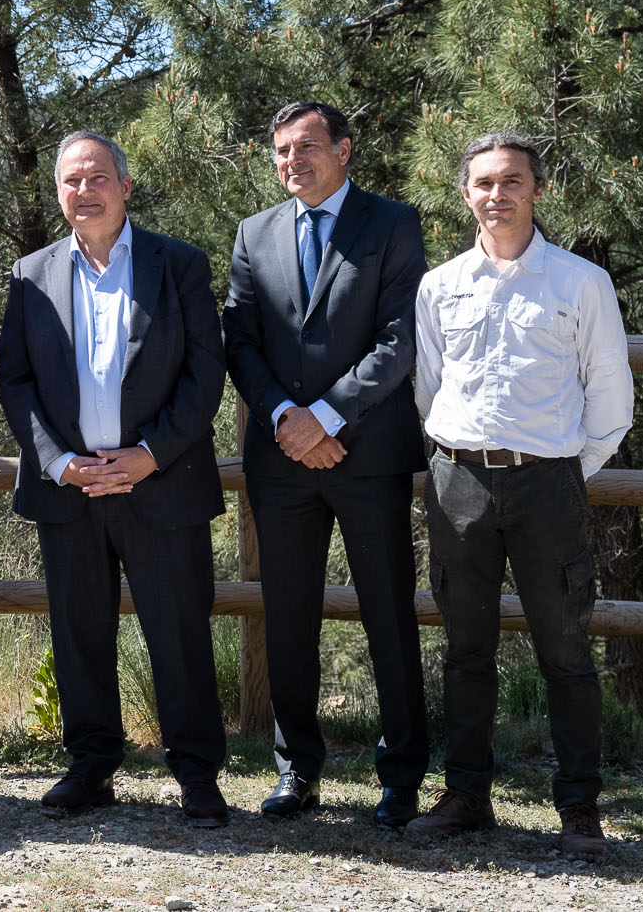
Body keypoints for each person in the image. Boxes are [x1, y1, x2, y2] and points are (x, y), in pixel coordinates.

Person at [0, 132, 232, 828]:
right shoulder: (30, 273)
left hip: (157, 483)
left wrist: (150, 454)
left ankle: (196, 774)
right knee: (77, 632)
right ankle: (91, 766)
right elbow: (14, 379)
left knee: (179, 632)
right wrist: (55, 460)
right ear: (59, 193)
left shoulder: (177, 264)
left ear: (124, 187)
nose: (84, 191)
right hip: (69, 487)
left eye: (97, 177)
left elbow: (204, 371)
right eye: (71, 181)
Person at [407, 133, 631, 861]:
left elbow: (608, 393)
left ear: (537, 189)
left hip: (547, 485)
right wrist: (456, 461)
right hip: (458, 484)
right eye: (482, 183)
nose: (496, 194)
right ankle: (465, 795)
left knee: (564, 652)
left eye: (511, 180)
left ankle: (578, 809)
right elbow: (428, 387)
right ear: (463, 193)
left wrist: (566, 469)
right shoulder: (439, 285)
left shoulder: (578, 282)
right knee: (464, 650)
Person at [221, 103, 429, 828]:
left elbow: (400, 338)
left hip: (366, 456)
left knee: (387, 616)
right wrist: (286, 418)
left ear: (343, 149)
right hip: (281, 461)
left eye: (306, 146)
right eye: (280, 150)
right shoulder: (254, 232)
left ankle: (400, 777)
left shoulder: (392, 223)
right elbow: (239, 341)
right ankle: (294, 770)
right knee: (287, 620)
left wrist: (327, 417)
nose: (291, 161)